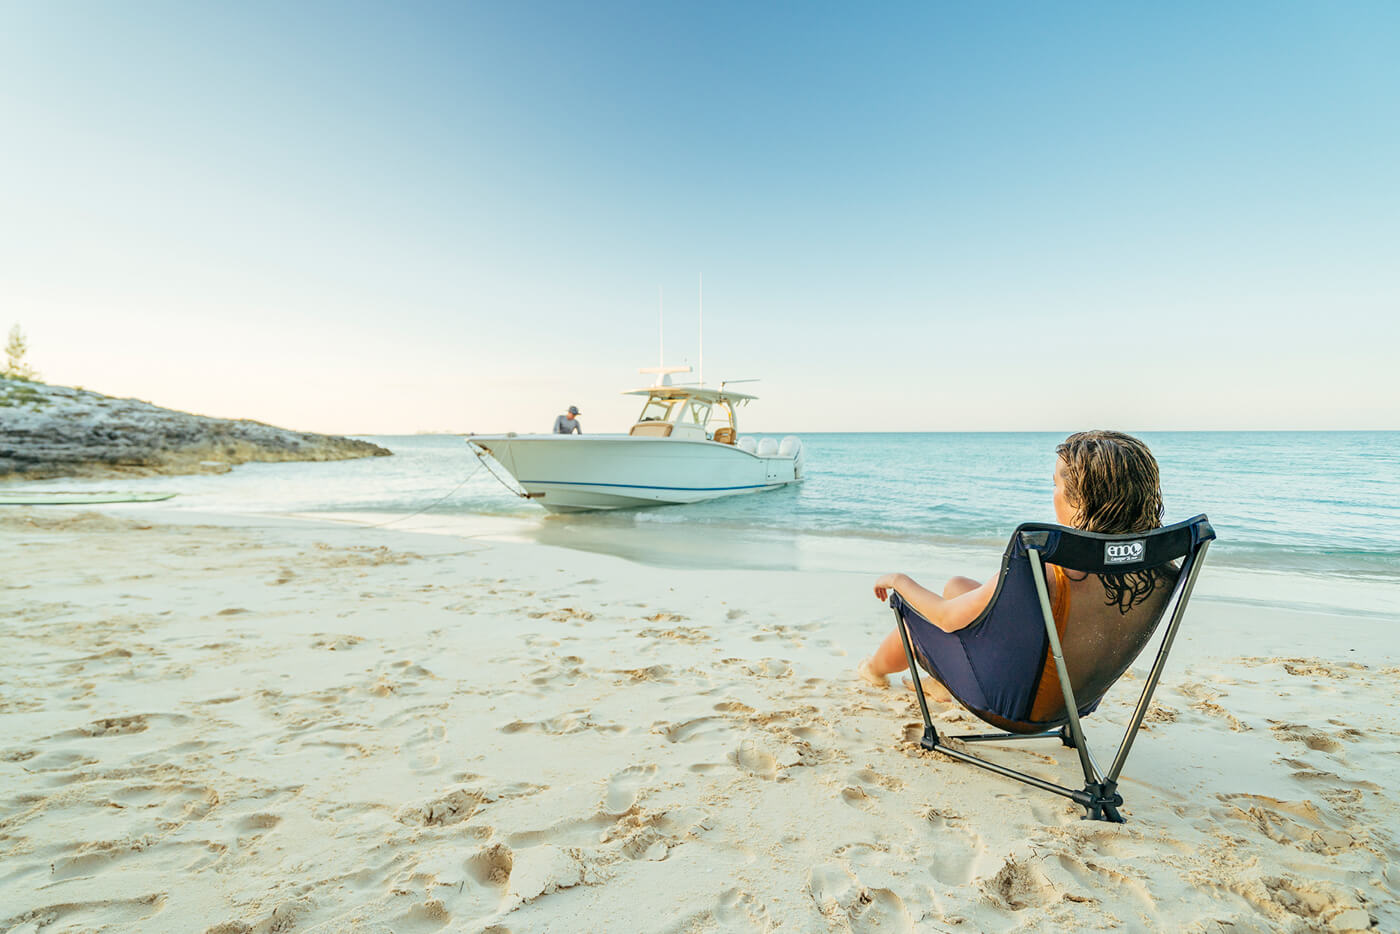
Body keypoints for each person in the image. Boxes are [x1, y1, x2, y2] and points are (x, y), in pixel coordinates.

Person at [860, 430, 1167, 701]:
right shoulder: (1153, 564)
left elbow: (946, 618)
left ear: (1080, 500)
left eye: (1056, 484)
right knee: (957, 586)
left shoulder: (1048, 566)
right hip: (1077, 698)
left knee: (918, 621)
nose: (1053, 493)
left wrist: (898, 579)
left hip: (1015, 699)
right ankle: (941, 683)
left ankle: (873, 670)